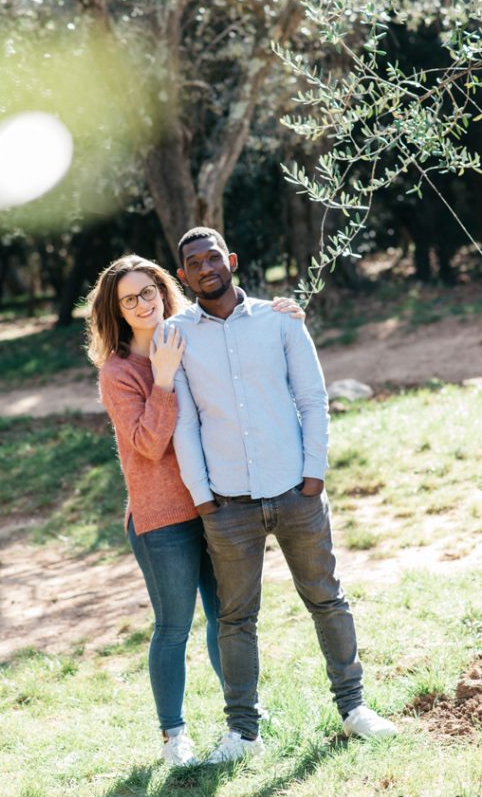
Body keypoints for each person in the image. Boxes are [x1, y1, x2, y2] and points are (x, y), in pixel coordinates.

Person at [167, 227, 397, 764]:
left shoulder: (279, 320)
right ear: (184, 276)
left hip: (296, 492)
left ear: (233, 260)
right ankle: (243, 735)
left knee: (327, 598)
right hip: (227, 505)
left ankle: (354, 709)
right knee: (235, 618)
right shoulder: (176, 336)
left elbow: (313, 398)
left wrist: (313, 476)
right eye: (194, 263)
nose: (206, 268)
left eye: (213, 257)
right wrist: (203, 499)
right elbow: (186, 425)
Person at [86, 254, 304, 767]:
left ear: (165, 290)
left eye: (149, 292)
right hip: (161, 519)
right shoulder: (119, 373)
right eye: (129, 299)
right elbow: (146, 444)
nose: (143, 304)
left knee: (224, 617)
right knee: (172, 627)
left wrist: (283, 314)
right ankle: (173, 735)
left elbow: (241, 357)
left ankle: (243, 715)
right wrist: (161, 380)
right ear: (116, 311)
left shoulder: (191, 340)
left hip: (216, 503)